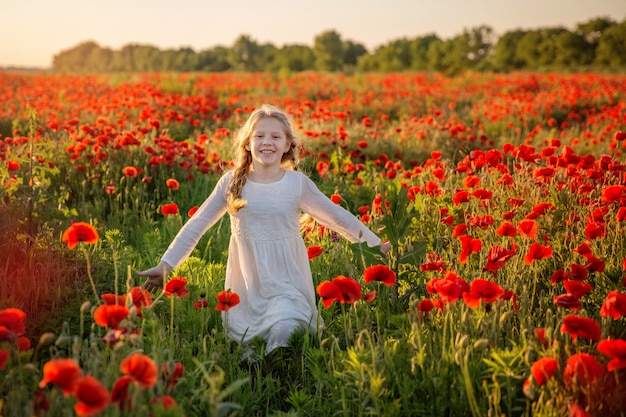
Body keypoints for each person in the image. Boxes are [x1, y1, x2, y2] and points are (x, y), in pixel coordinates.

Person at [138, 104, 391, 356]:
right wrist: (166, 265)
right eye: (259, 136)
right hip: (248, 288)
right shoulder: (231, 182)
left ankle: (282, 356)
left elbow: (338, 218)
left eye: (275, 137)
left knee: (284, 327)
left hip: (288, 283)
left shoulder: (296, 183)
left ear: (287, 145)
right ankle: (267, 368)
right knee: (251, 348)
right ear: (248, 143)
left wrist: (375, 245)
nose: (266, 142)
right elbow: (198, 224)